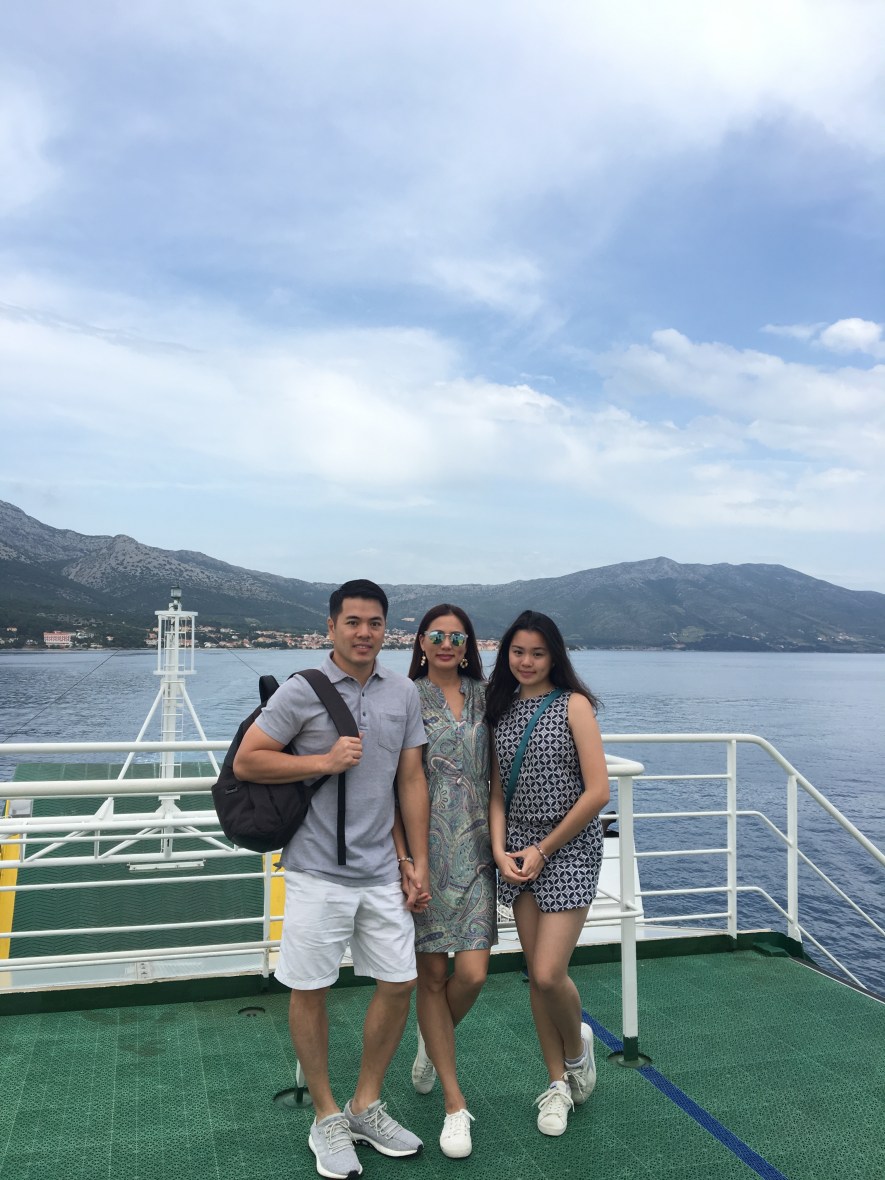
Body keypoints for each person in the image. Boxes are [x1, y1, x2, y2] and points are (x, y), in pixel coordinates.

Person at [233, 579, 430, 1180]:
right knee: (311, 987)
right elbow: (248, 759)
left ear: (386, 629)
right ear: (332, 627)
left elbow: (410, 780)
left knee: (399, 981)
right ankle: (325, 1116)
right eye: (353, 622)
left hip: (381, 868)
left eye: (375, 623)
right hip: (316, 868)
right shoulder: (302, 690)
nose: (364, 633)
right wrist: (323, 760)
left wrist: (416, 859)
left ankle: (365, 1104)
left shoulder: (403, 692)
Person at [485, 609, 610, 1138]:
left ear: (553, 656)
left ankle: (577, 1055)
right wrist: (500, 850)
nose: (527, 661)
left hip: (568, 848)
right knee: (534, 975)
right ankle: (557, 1083)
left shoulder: (573, 704)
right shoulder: (499, 710)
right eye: (518, 652)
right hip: (518, 853)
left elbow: (597, 792)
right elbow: (496, 793)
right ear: (506, 655)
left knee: (548, 973)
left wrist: (543, 847)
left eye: (538, 653)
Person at [398, 605, 495, 1160]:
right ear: (421, 641)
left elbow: (501, 773)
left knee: (473, 973)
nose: (445, 643)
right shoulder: (405, 697)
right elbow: (397, 782)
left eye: (456, 637)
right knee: (432, 974)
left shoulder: (486, 696)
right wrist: (406, 858)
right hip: (426, 852)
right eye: (436, 634)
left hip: (478, 852)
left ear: (467, 645)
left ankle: (431, 1042)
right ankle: (455, 1105)